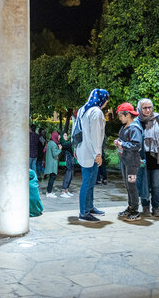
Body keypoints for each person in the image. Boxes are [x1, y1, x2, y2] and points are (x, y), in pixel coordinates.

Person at [71, 88, 109, 223]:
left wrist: (75, 147)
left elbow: (75, 128)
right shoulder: (96, 112)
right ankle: (84, 212)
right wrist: (98, 153)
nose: (106, 102)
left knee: (90, 182)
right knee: (87, 183)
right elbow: (95, 135)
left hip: (82, 149)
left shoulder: (83, 109)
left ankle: (89, 207)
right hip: (90, 152)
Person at [114, 103, 144, 221]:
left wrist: (122, 144)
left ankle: (135, 210)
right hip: (125, 161)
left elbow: (136, 145)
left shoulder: (134, 128)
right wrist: (118, 142)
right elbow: (124, 141)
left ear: (128, 115)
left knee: (132, 185)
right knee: (127, 185)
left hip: (132, 162)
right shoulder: (124, 127)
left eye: (121, 116)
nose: (120, 118)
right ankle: (130, 206)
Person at [44, 131, 62, 198]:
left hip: (50, 163)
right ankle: (48, 192)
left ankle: (49, 191)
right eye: (59, 135)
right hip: (52, 164)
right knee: (52, 177)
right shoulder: (53, 144)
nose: (59, 137)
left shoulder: (50, 143)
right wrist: (60, 149)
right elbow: (55, 154)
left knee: (51, 177)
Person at [60, 132, 75, 198]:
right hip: (67, 162)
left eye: (66, 135)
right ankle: (63, 191)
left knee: (70, 175)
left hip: (70, 161)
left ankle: (66, 190)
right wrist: (73, 140)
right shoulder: (62, 143)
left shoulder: (67, 142)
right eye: (65, 135)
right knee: (67, 176)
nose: (66, 136)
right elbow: (67, 145)